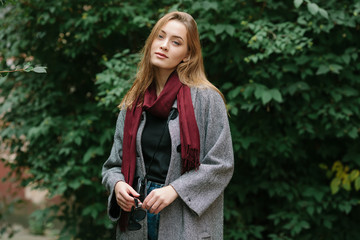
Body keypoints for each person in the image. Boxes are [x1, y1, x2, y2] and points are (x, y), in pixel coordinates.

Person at [102, 11, 234, 240]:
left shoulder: (206, 99)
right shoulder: (134, 101)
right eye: (160, 37)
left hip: (184, 220)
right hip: (137, 217)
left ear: (187, 55)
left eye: (176, 42)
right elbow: (113, 165)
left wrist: (175, 190)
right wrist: (117, 185)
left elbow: (221, 164)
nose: (164, 46)